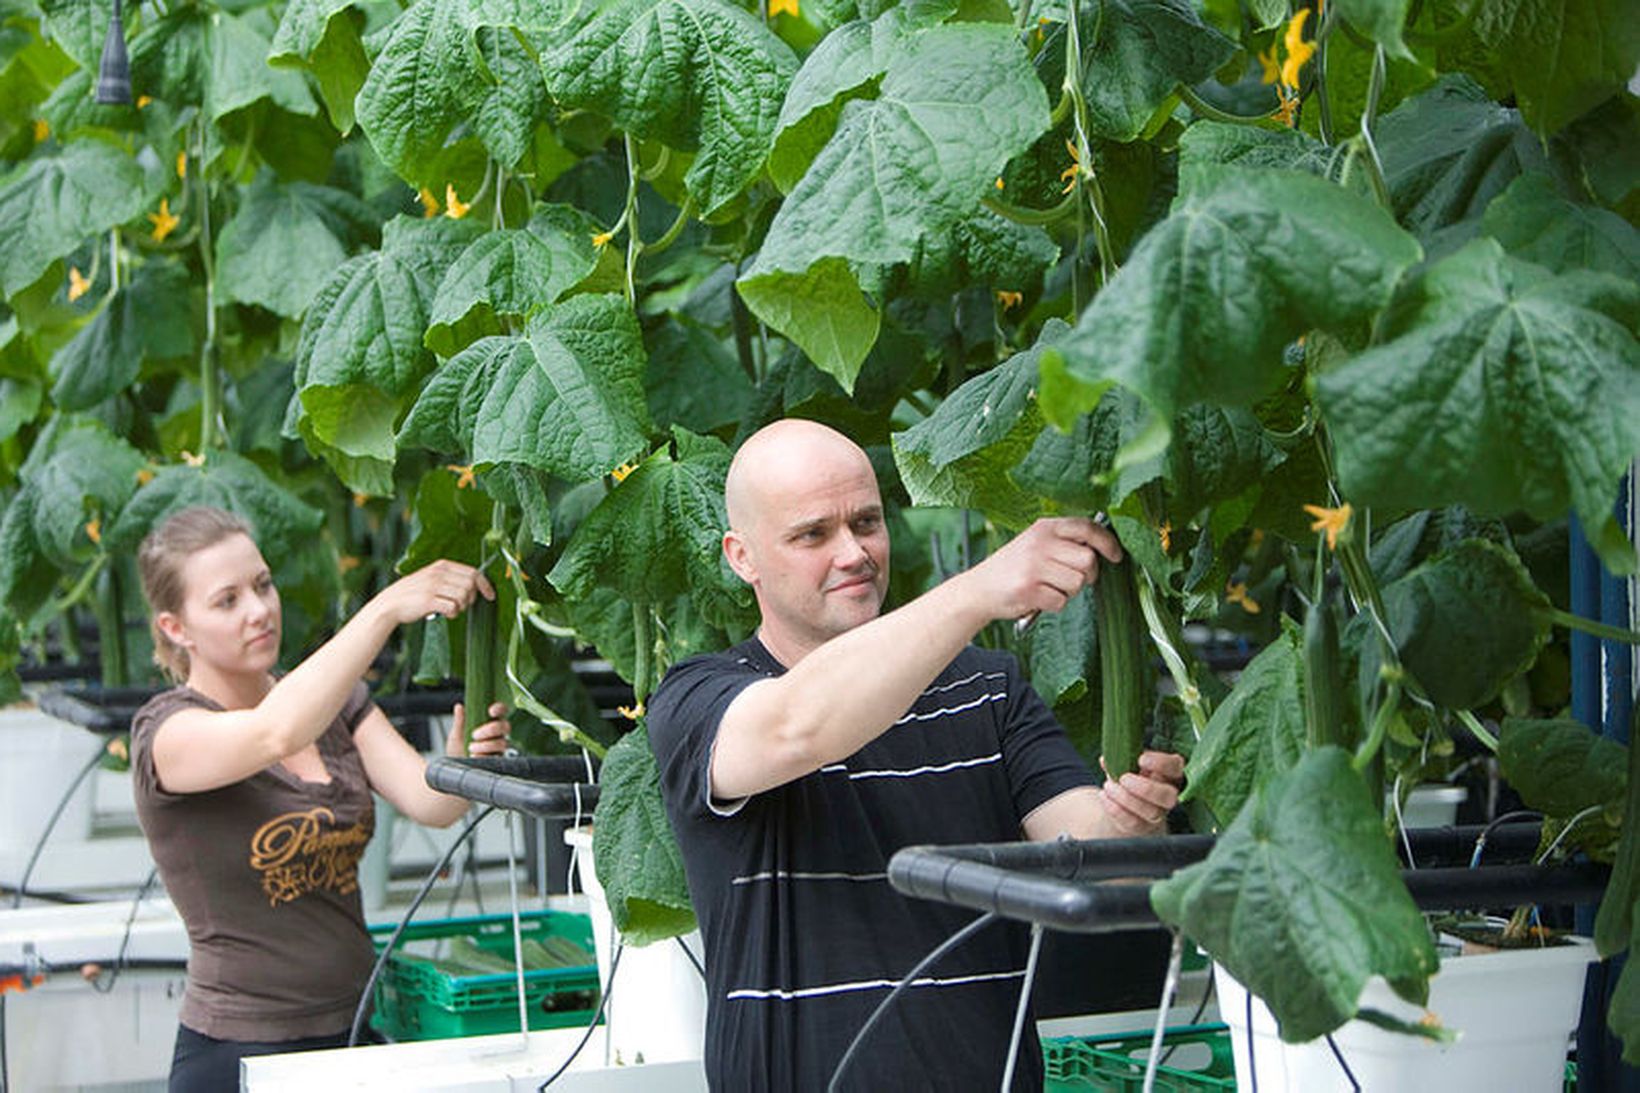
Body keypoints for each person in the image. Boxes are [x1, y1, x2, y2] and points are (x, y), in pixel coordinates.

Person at [646, 419, 1186, 1091]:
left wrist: (1136, 827)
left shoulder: (986, 690)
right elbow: (800, 726)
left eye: (866, 522)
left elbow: (1102, 867)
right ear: (742, 555)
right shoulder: (700, 699)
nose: (854, 552)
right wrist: (981, 588)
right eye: (813, 533)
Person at [130, 506, 511, 1092]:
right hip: (239, 1051)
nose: (259, 611)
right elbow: (273, 733)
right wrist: (385, 608)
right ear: (175, 628)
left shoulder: (333, 702)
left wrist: (464, 763)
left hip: (355, 1030)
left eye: (262, 585)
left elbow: (430, 803)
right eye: (226, 601)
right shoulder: (168, 734)